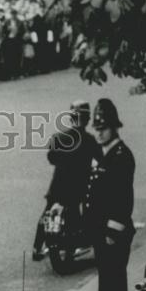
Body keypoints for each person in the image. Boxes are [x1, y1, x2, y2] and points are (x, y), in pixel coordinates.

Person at [83, 98, 135, 291]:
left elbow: (122, 199)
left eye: (103, 128)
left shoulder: (121, 156)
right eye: (97, 128)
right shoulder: (103, 154)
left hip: (113, 231)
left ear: (114, 127)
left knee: (113, 282)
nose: (99, 132)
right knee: (106, 280)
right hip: (100, 229)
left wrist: (112, 230)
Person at [32, 100, 97, 260]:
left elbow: (51, 158)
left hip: (58, 185)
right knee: (78, 212)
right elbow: (99, 159)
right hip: (78, 187)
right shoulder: (90, 140)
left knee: (47, 213)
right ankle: (74, 246)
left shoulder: (59, 137)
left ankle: (37, 246)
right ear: (87, 119)